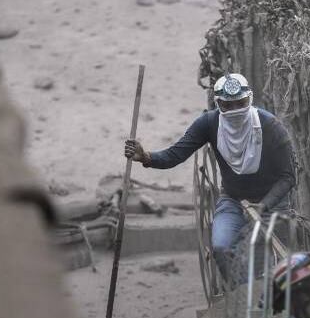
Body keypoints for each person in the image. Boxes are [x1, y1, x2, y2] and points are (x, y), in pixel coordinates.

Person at [124, 73, 295, 278]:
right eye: (228, 105)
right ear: (218, 104)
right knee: (221, 248)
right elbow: (175, 154)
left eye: (240, 103)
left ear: (250, 99)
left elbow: (288, 176)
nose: (235, 110)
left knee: (261, 261)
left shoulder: (271, 127)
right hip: (234, 201)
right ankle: (237, 298)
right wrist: (146, 157)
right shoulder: (209, 124)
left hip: (272, 204)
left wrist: (264, 205)